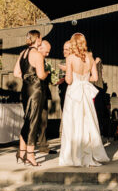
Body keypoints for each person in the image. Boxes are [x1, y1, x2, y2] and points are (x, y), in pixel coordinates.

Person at [59, 33, 109, 167]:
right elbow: (94, 77)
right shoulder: (90, 57)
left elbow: (68, 80)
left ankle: (73, 156)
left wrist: (72, 76)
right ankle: (90, 154)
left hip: (73, 93)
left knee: (73, 123)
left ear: (73, 43)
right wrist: (83, 79)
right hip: (85, 92)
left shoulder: (70, 58)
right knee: (88, 122)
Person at [14, 32, 50, 167]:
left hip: (25, 90)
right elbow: (41, 75)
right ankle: (30, 154)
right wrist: (47, 73)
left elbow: (16, 73)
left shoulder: (22, 53)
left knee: (27, 119)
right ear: (38, 39)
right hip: (36, 90)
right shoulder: (37, 54)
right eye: (40, 38)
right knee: (33, 121)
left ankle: (22, 151)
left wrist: (27, 77)